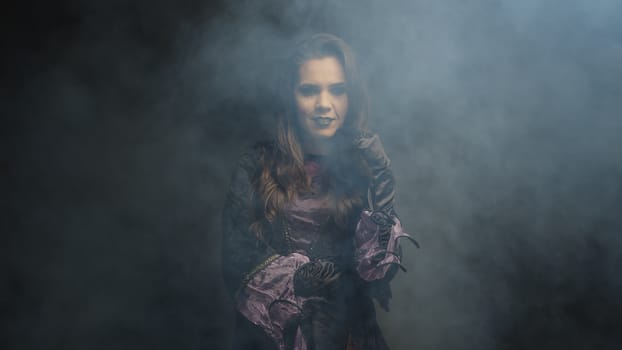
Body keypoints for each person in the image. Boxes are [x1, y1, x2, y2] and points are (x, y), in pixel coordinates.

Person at [221, 33, 417, 350]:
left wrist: (382, 179)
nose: (324, 104)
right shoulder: (255, 165)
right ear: (290, 96)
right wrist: (299, 279)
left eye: (337, 90)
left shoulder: (360, 167)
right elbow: (234, 256)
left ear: (350, 97)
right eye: (309, 90)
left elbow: (380, 274)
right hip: (273, 338)